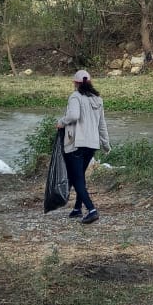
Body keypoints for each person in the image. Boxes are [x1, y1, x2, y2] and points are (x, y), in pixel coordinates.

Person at [57, 69, 110, 223]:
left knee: (76, 177)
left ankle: (91, 209)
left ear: (76, 83)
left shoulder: (75, 96)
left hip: (77, 144)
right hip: (92, 144)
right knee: (79, 176)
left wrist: (61, 123)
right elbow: (102, 124)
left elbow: (73, 115)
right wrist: (106, 144)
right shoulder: (97, 99)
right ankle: (77, 209)